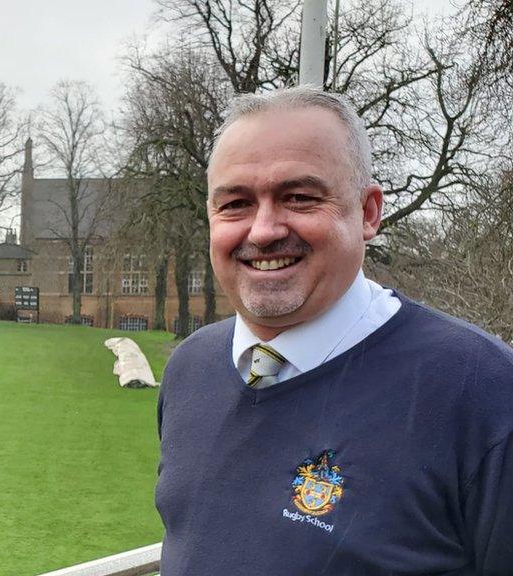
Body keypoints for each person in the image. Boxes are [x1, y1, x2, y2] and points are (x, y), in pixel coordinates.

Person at [156, 86, 513, 574]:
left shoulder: (481, 388)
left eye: (299, 197)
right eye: (235, 203)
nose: (262, 231)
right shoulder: (191, 369)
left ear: (368, 213)